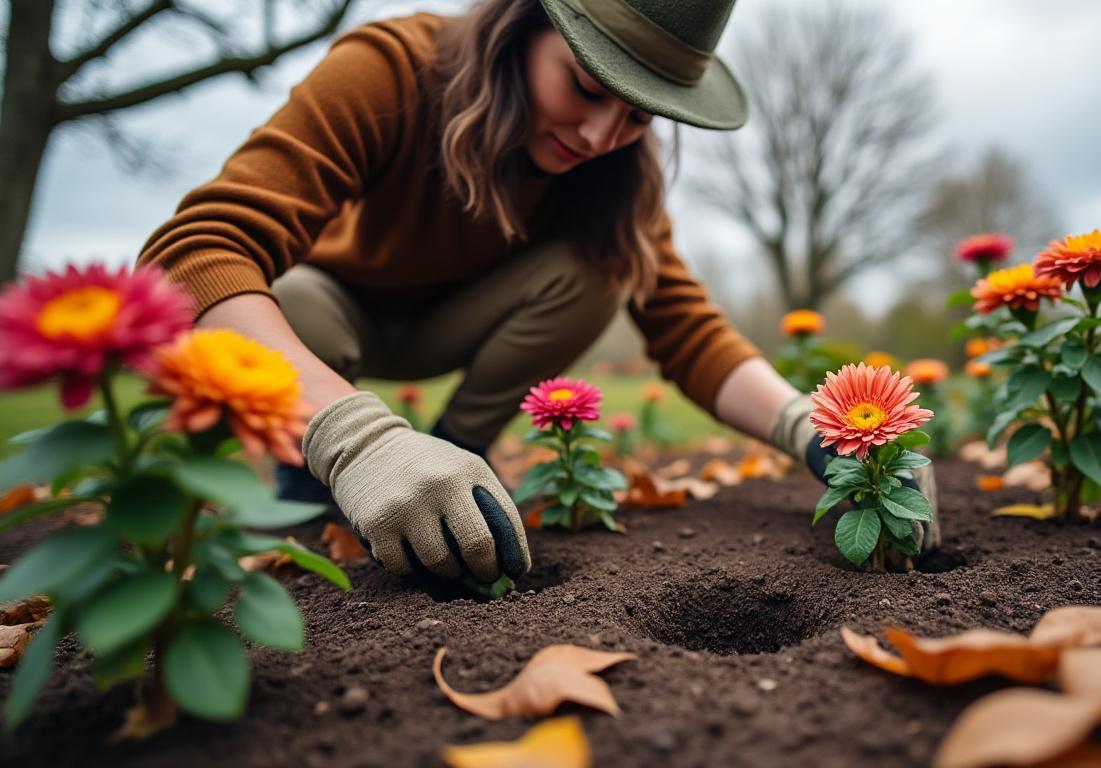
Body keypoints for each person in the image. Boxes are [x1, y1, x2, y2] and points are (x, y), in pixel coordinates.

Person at [137, 0, 939, 587]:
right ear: (524, 24)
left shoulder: (614, 173)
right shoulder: (390, 70)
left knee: (603, 266)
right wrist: (354, 437)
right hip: (331, 325)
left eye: (637, 116)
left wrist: (815, 430)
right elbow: (193, 252)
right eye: (587, 86)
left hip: (457, 329)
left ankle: (459, 459)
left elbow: (686, 328)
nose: (600, 138)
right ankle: (315, 482)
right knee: (296, 293)